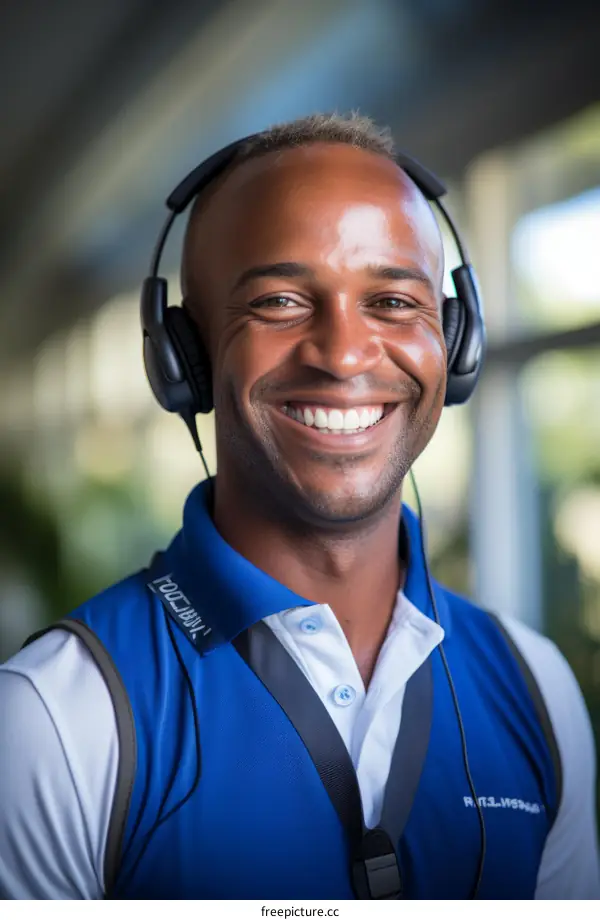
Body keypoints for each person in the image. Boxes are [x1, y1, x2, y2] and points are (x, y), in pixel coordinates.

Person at [0, 113, 598, 901]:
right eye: (280, 301)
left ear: (456, 342)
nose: (344, 353)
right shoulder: (54, 721)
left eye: (391, 300)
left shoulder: (537, 689)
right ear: (185, 355)